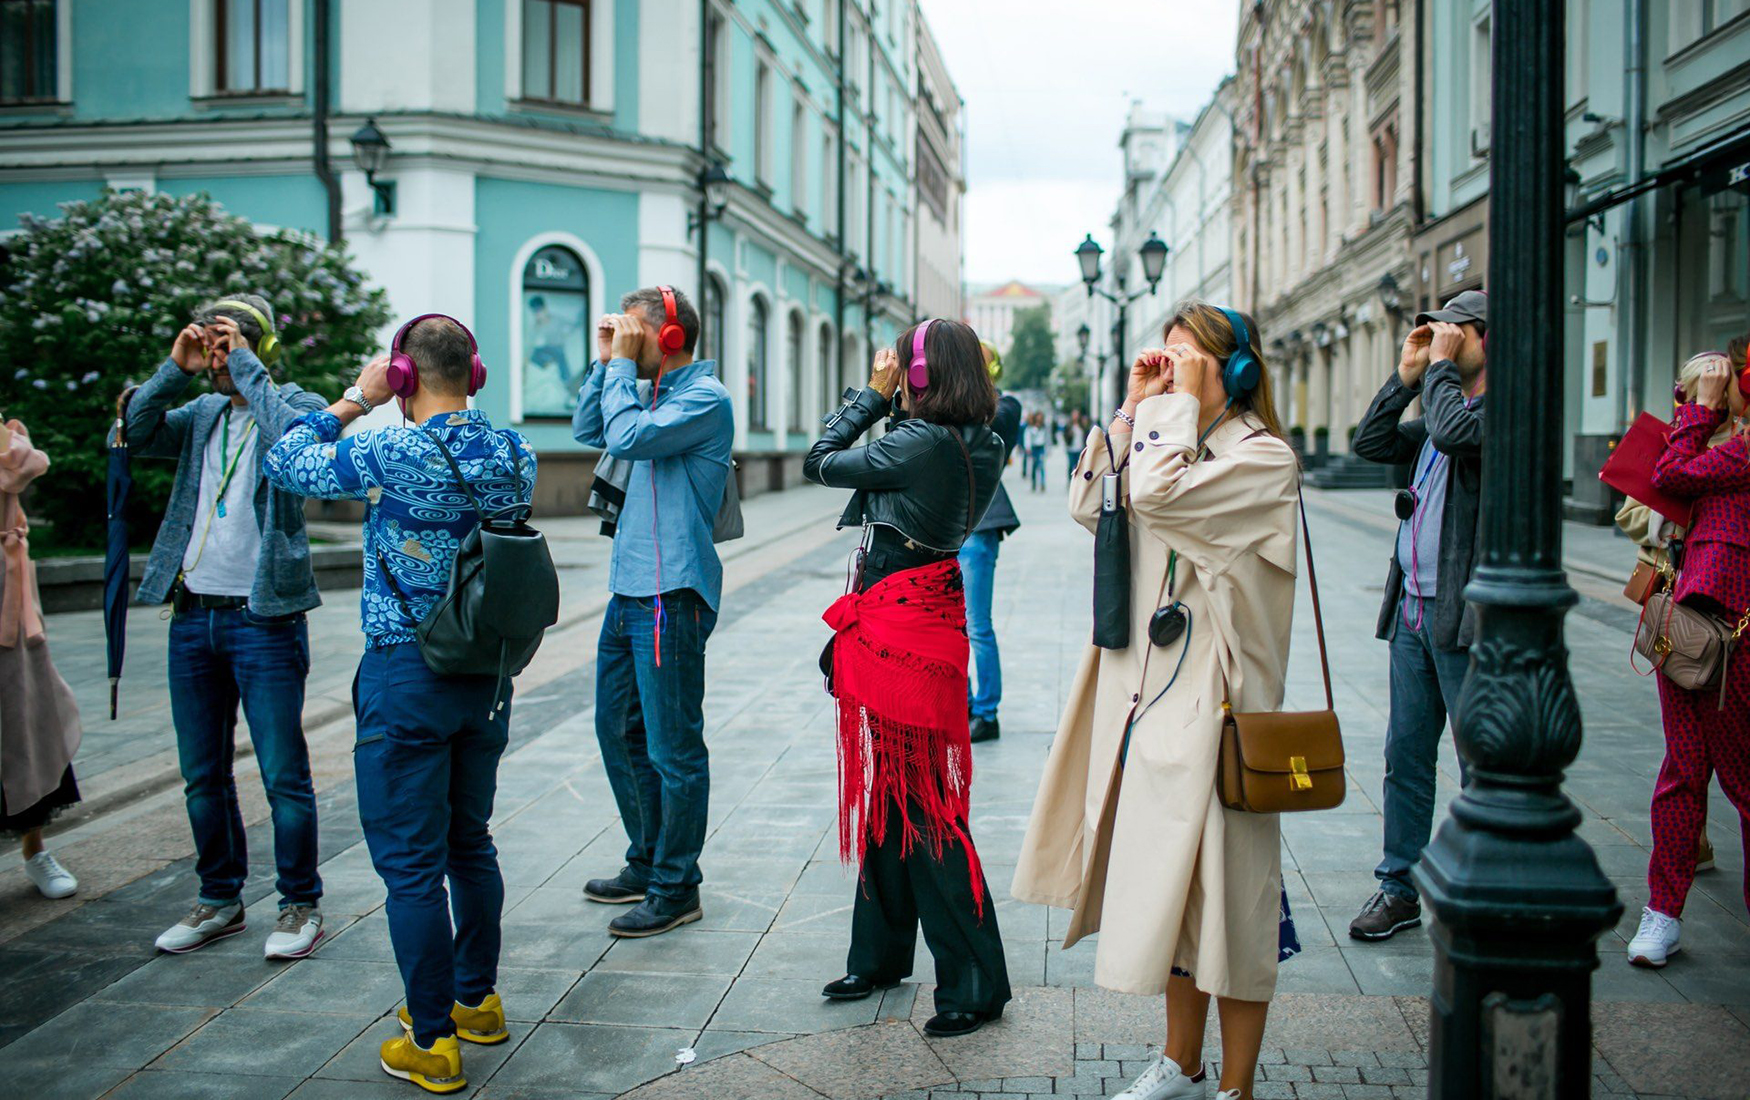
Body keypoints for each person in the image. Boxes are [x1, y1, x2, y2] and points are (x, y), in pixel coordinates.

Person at [1014, 303, 1301, 1100]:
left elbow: (1165, 500)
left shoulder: (1263, 459)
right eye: (1162, 355)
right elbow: (1089, 505)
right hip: (1151, 696)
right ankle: (1181, 1061)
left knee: (1234, 908)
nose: (1167, 368)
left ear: (1234, 370)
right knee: (1175, 898)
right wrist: (1133, 410)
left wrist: (1163, 414)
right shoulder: (1166, 438)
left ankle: (1235, 1086)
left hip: (1218, 708)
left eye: (1186, 358)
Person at [264, 315, 536, 1095]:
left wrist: (356, 397)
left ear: (406, 378)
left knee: (411, 868)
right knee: (468, 842)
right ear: (474, 374)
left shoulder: (391, 446)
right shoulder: (513, 450)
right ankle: (476, 1000)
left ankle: (432, 1038)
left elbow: (287, 462)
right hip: (485, 675)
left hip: (406, 674)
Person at [807, 318, 1012, 1038]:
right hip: (920, 621)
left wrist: (870, 392)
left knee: (922, 805)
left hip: (899, 633)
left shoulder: (920, 443)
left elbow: (821, 460)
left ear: (919, 376)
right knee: (894, 795)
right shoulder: (980, 440)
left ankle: (976, 983)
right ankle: (880, 955)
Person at [126, 296, 327, 958]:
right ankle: (219, 899)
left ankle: (299, 904)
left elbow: (297, 443)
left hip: (263, 619)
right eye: (210, 345)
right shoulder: (203, 412)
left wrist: (246, 366)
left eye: (229, 343)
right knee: (201, 773)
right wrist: (173, 369)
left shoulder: (292, 401)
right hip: (193, 617)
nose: (217, 357)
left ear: (259, 347)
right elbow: (130, 432)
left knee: (282, 772)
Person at [572, 287, 734, 938]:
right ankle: (647, 859)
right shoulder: (640, 389)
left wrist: (620, 370)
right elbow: (591, 429)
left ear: (670, 338)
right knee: (617, 731)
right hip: (629, 590)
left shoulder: (704, 398)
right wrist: (607, 359)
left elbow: (628, 437)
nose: (626, 340)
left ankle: (676, 886)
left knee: (673, 750)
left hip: (671, 595)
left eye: (637, 330)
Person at [1346, 289, 1487, 942]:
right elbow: (1370, 441)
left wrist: (1437, 373)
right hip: (1413, 613)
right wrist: (1404, 377)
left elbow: (1458, 433)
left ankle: (1486, 883)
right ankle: (1398, 887)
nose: (1443, 344)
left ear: (1486, 339)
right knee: (1405, 755)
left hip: (1465, 619)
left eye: (1456, 334)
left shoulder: (1494, 413)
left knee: (1481, 758)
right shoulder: (1434, 410)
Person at [1625, 350, 1750, 969]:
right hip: (1687, 623)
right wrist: (1691, 408)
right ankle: (1663, 912)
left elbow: (1674, 474)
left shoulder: (1741, 450)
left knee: (1743, 783)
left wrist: (1700, 411)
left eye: (1722, 378)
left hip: (1737, 637)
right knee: (1682, 773)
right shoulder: (1712, 440)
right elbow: (1656, 480)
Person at [0, 416, 82, 900]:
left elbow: (24, 465)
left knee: (26, 722)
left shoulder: (9, 440)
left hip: (8, 602)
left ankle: (36, 851)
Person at [959, 340, 1023, 744]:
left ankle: (987, 712)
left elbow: (990, 428)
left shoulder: (1006, 406)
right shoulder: (954, 407)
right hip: (950, 526)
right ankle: (963, 702)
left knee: (977, 625)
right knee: (956, 625)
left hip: (979, 528)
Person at [1026, 412, 1049, 492]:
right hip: (1034, 448)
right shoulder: (1031, 427)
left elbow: (1047, 438)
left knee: (1041, 466)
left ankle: (1042, 484)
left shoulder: (1044, 427)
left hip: (1041, 447)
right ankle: (1034, 483)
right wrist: (1028, 447)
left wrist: (1048, 449)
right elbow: (1027, 437)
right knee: (1034, 466)